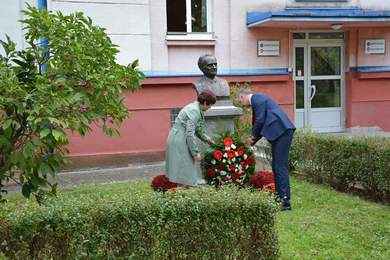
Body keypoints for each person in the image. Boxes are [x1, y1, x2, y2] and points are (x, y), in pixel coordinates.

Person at [237, 89, 296, 211]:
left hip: (282, 132)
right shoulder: (258, 101)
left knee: (280, 166)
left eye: (240, 100)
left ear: (243, 96)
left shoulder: (257, 98)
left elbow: (260, 120)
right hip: (280, 133)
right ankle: (279, 197)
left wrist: (252, 138)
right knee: (276, 166)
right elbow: (260, 123)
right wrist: (251, 142)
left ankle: (285, 201)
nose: (242, 104)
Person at [166, 90, 217, 186]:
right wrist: (195, 153)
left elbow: (198, 130)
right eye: (210, 105)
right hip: (179, 139)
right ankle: (183, 195)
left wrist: (208, 140)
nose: (210, 107)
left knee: (183, 172)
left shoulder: (196, 107)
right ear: (205, 103)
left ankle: (182, 194)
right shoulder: (195, 111)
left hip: (178, 137)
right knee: (185, 172)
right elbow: (190, 133)